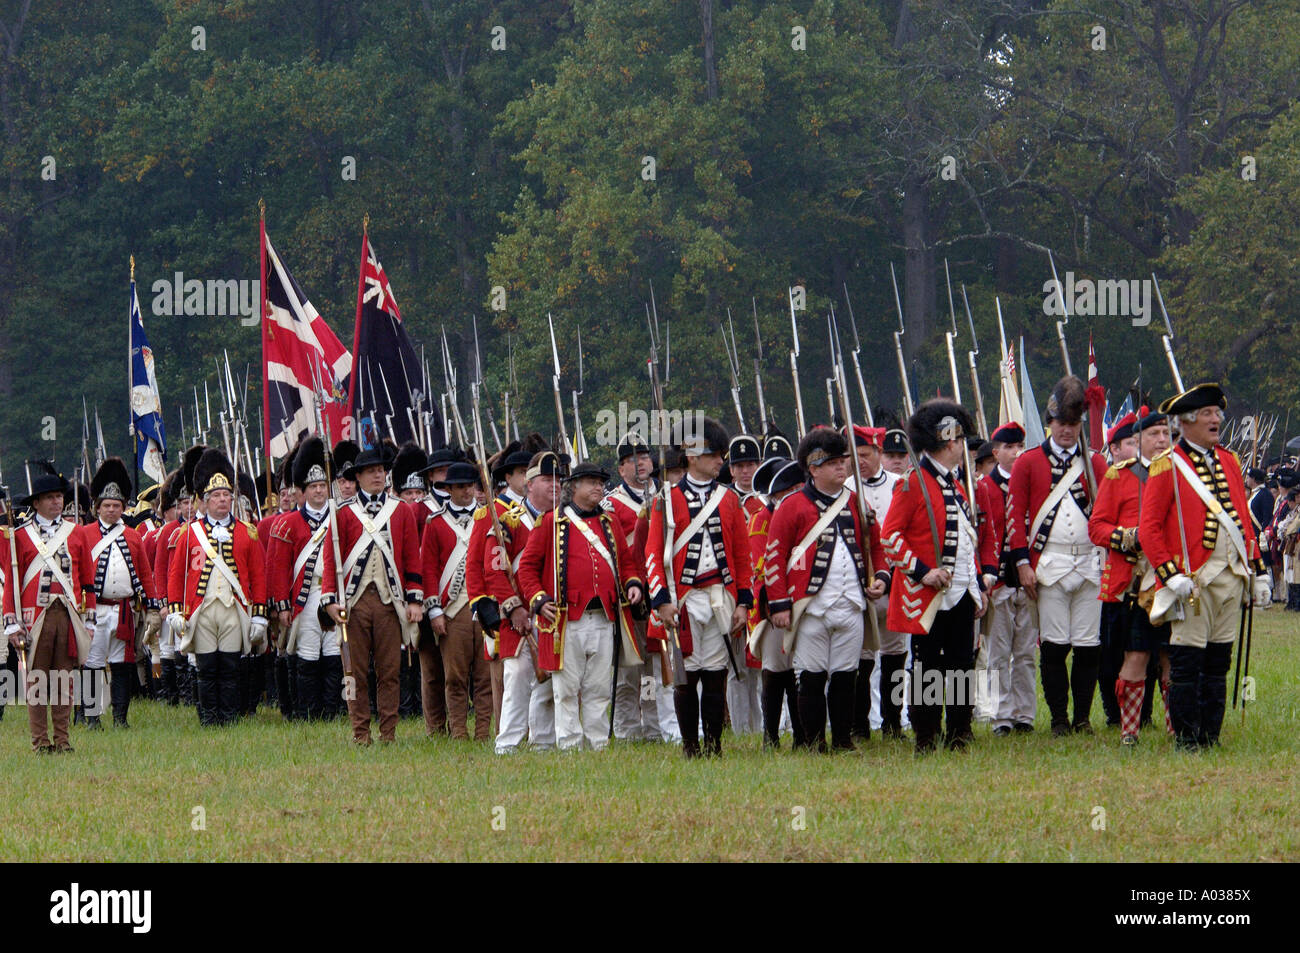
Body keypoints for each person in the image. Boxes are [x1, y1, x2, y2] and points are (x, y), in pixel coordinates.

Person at [1139, 384, 1270, 751]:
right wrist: (1170, 574)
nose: (1217, 420)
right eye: (1209, 414)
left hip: (1231, 576)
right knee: (1186, 664)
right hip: (1192, 581)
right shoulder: (1168, 464)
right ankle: (1187, 739)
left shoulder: (1229, 460)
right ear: (1187, 421)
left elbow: (1242, 520)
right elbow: (1149, 529)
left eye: (1217, 413)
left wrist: (1257, 571)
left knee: (1218, 661)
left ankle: (1210, 735)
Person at [765, 429, 889, 752]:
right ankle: (814, 742)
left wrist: (882, 579)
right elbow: (774, 556)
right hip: (810, 605)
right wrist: (778, 604)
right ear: (813, 468)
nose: (842, 467)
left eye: (842, 460)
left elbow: (875, 548)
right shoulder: (791, 506)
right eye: (832, 462)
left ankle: (843, 740)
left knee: (847, 676)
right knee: (811, 677)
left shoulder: (856, 502)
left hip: (851, 603)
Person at [881, 402, 993, 753]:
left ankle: (959, 732)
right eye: (960, 440)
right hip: (927, 593)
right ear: (948, 442)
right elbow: (890, 537)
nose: (964, 446)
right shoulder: (913, 483)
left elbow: (966, 541)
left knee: (961, 663)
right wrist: (922, 571)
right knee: (928, 667)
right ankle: (926, 736)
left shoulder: (958, 485)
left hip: (960, 591)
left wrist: (975, 586)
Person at [1006, 376, 1109, 736]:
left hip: (1090, 564)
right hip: (1048, 564)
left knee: (1087, 646)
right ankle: (1059, 719)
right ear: (1050, 423)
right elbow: (1015, 516)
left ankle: (1082, 717)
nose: (1067, 431)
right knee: (1053, 645)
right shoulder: (1029, 462)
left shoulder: (1096, 465)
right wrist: (1022, 563)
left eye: (1074, 424)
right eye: (1062, 424)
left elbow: (1106, 515)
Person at [517, 462, 645, 751]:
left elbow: (625, 562)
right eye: (591, 482)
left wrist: (633, 583)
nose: (598, 487)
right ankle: (570, 745)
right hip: (566, 619)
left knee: (599, 688)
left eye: (601, 482)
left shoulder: (609, 523)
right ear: (574, 487)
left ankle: (597, 744)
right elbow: (527, 568)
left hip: (604, 616)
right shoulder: (551, 522)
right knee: (566, 689)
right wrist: (538, 600)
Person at [645, 418, 754, 758]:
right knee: (685, 677)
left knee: (716, 673)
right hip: (684, 601)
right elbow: (653, 553)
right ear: (692, 456)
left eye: (721, 453)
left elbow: (742, 554)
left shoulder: (729, 499)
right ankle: (691, 748)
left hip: (721, 597)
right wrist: (662, 600)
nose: (721, 460)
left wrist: (743, 602)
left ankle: (714, 745)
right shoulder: (666, 499)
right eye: (713, 453)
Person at [321, 444, 424, 745]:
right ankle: (360, 732)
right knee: (353, 672)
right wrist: (330, 600)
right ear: (359, 477)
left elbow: (411, 558)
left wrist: (415, 599)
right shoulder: (342, 513)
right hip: (353, 604)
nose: (378, 475)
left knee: (390, 671)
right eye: (371, 471)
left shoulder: (401, 510)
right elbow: (332, 560)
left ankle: (388, 733)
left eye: (381, 470)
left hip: (389, 602)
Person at [166, 449, 270, 726]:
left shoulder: (247, 532)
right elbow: (177, 575)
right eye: (217, 496)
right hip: (201, 608)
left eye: (227, 495)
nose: (223, 500)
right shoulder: (189, 533)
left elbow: (258, 576)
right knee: (207, 667)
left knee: (231, 666)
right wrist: (176, 610)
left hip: (233, 608)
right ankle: (208, 718)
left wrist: (259, 613)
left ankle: (229, 716)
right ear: (205, 501)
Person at [1090, 407, 1173, 746]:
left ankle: (1174, 725)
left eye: (1167, 434)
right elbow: (1097, 527)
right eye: (1155, 434)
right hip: (1133, 584)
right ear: (1136, 439)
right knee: (1135, 656)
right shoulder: (1119, 476)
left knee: (1171, 655)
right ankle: (1129, 730)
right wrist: (1127, 536)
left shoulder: (1178, 473)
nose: (1162, 440)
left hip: (1170, 579)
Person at [471, 448, 562, 754]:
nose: (554, 486)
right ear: (530, 484)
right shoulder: (507, 522)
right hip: (518, 615)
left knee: (548, 680)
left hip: (552, 612)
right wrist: (514, 607)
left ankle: (543, 743)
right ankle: (507, 744)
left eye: (558, 480)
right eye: (546, 479)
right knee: (518, 677)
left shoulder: (563, 522)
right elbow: (493, 570)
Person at [2, 464, 95, 753]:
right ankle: (41, 742)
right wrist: (12, 623)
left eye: (59, 497)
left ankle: (63, 740)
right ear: (37, 503)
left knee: (64, 681)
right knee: (37, 681)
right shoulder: (19, 536)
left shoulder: (76, 533)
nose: (57, 502)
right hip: (35, 618)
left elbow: (87, 581)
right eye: (51, 497)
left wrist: (88, 620)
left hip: (67, 615)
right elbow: (12, 584)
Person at [78, 458, 162, 729]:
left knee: (122, 664)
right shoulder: (84, 535)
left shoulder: (133, 536)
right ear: (97, 508)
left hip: (124, 609)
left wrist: (152, 608)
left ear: (123, 508)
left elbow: (145, 574)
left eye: (116, 506)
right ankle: (92, 719)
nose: (112, 510)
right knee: (92, 665)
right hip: (94, 610)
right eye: (107, 506)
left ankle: (120, 719)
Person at [267, 437, 343, 720]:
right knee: (308, 654)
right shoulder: (287, 524)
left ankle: (331, 711)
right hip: (305, 598)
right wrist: (283, 606)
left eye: (323, 485)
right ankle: (308, 711)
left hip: (334, 596)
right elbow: (278, 568)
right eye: (313, 487)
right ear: (303, 490)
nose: (320, 491)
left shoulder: (340, 517)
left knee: (334, 653)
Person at [422, 460, 492, 741]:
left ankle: (484, 733)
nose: (467, 491)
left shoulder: (489, 518)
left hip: (485, 605)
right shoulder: (436, 523)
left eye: (470, 486)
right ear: (448, 489)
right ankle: (459, 732)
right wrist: (434, 610)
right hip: (452, 609)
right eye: (460, 487)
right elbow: (428, 569)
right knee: (455, 677)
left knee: (485, 678)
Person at [842, 424, 902, 739]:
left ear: (878, 452)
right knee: (862, 661)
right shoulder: (846, 489)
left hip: (896, 582)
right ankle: (860, 724)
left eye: (865, 455)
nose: (860, 461)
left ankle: (893, 722)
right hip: (859, 586)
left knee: (895, 657)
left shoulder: (900, 485)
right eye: (855, 456)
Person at [976, 422, 1035, 736]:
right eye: (1008, 448)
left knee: (1025, 653)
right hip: (998, 580)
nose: (1015, 453)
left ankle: (1025, 714)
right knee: (999, 654)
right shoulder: (984, 487)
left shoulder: (1030, 482)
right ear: (995, 452)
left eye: (1019, 447)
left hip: (1028, 579)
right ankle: (1001, 715)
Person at [603, 432, 662, 742]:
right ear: (621, 468)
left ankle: (654, 727)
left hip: (659, 593)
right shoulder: (609, 504)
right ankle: (626, 728)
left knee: (653, 666)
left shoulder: (665, 496)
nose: (640, 464)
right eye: (631, 460)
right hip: (628, 596)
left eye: (644, 457)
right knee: (628, 669)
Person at [745, 457, 805, 747]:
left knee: (796, 670)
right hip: (771, 604)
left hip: (800, 600)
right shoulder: (761, 520)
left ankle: (801, 733)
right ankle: (771, 736)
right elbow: (762, 566)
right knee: (775, 670)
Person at [723, 433, 765, 737]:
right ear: (732, 470)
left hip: (765, 593)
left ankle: (775, 725)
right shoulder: (724, 502)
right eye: (739, 465)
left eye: (751, 464)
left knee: (769, 666)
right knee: (737, 669)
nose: (746, 470)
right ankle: (741, 729)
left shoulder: (768, 501)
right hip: (735, 592)